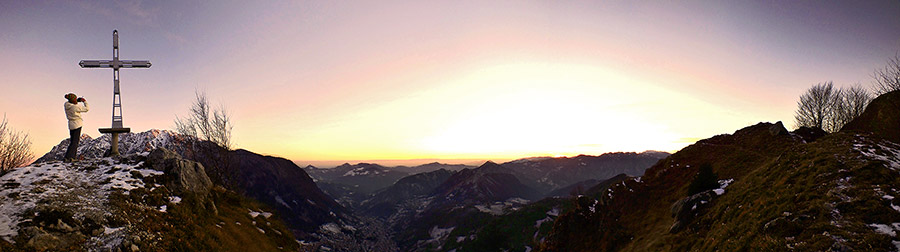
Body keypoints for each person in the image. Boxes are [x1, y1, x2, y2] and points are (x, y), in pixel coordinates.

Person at [64, 93, 89, 162]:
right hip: (77, 124)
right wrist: (84, 101)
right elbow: (87, 109)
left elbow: (72, 103)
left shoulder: (66, 104)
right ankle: (71, 157)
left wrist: (77, 101)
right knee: (75, 142)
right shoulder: (75, 107)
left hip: (71, 125)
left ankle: (67, 157)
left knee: (72, 142)